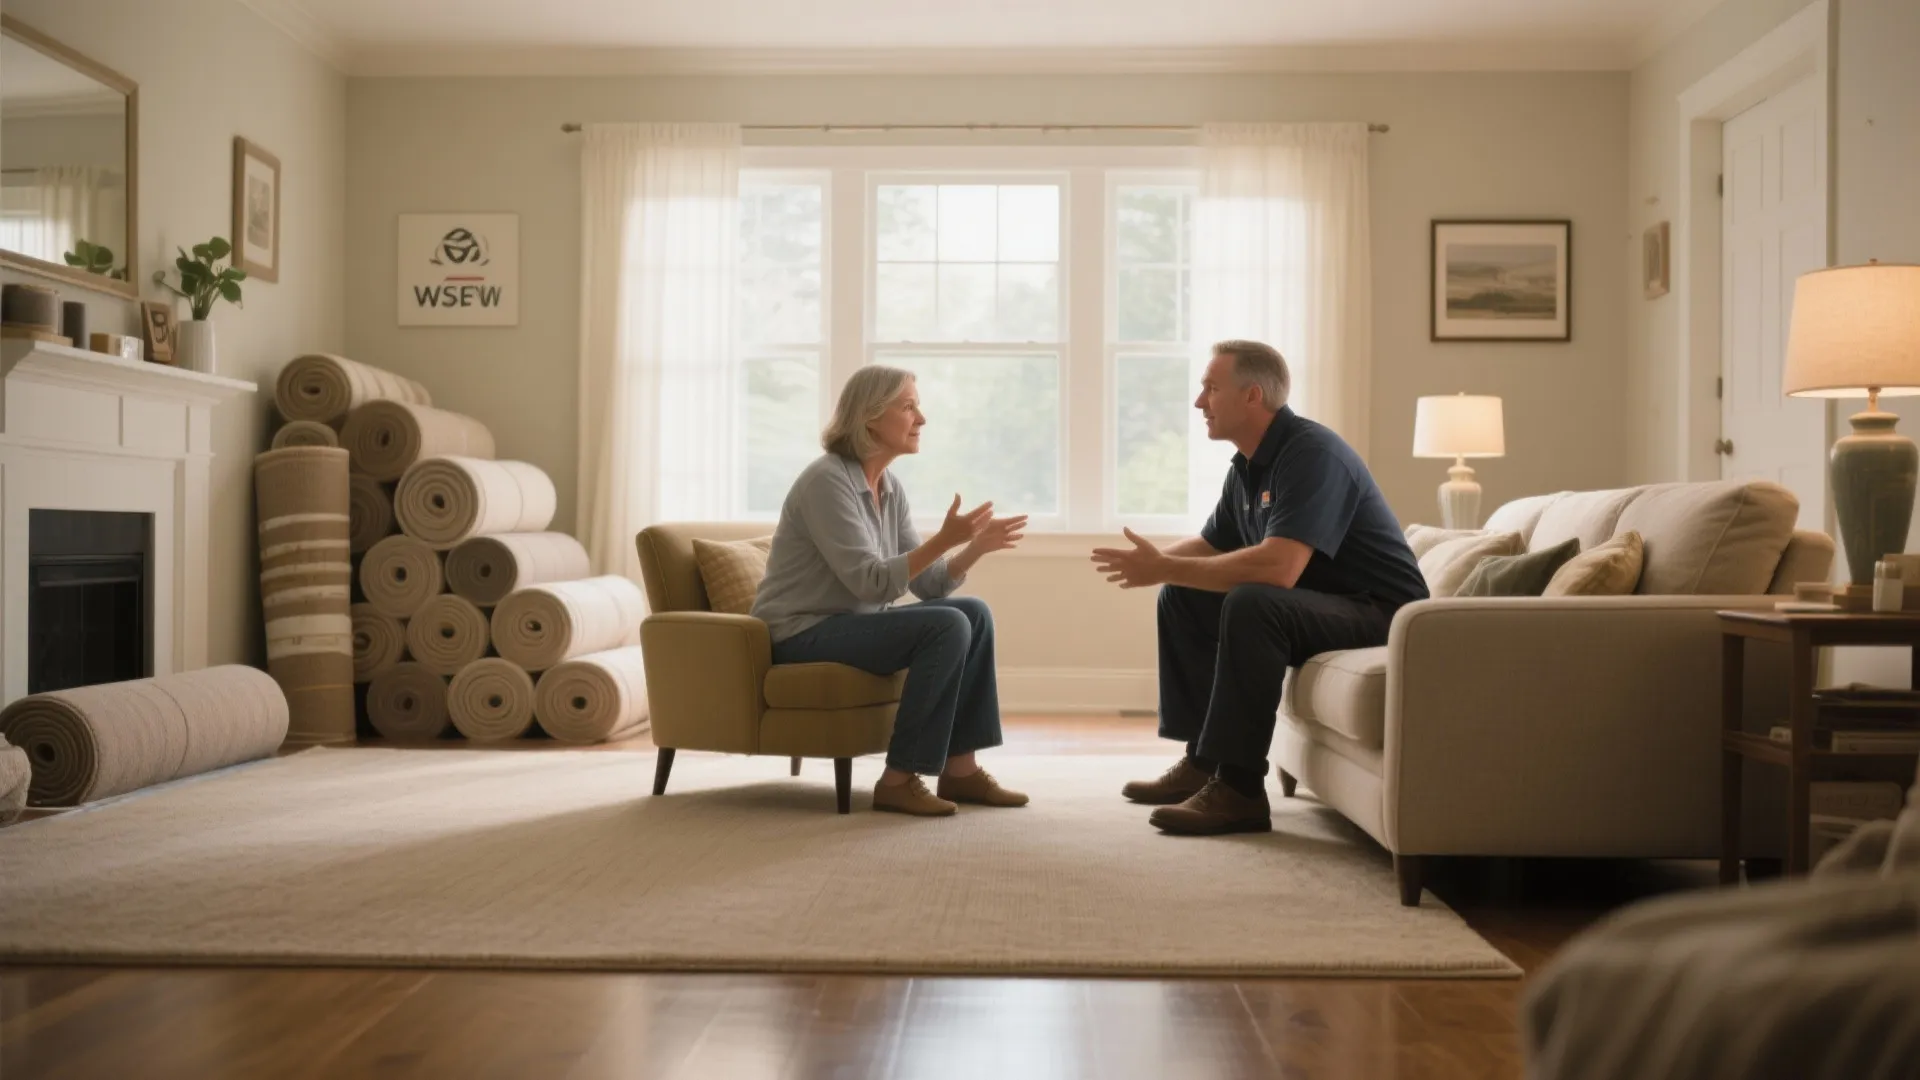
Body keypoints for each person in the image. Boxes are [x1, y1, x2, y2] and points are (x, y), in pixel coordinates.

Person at [1092, 340, 1427, 835]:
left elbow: (1280, 568)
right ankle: (1202, 761)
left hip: (1381, 614)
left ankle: (1241, 789)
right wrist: (1154, 565)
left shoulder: (1311, 455)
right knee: (1183, 594)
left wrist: (1162, 566)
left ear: (1252, 397)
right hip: (1326, 607)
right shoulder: (1248, 467)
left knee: (1254, 601)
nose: (1198, 402)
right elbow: (1210, 546)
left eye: (1210, 388)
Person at [752, 365, 1030, 817]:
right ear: (870, 418)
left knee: (971, 613)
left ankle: (961, 772)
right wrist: (944, 539)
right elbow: (871, 581)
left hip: (852, 625)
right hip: (801, 633)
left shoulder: (889, 486)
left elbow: (927, 585)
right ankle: (899, 779)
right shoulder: (827, 481)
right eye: (908, 406)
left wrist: (973, 548)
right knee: (946, 624)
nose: (921, 418)